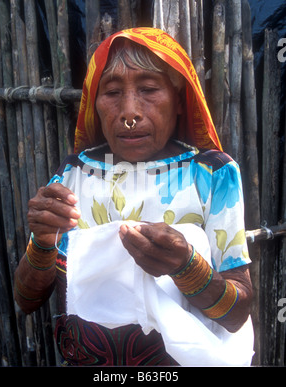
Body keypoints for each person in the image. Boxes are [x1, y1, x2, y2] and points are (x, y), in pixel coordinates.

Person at [14, 27, 254, 366]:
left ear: (179, 99)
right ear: (94, 104)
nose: (129, 112)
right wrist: (42, 242)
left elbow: (236, 315)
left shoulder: (211, 175)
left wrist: (187, 267)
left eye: (149, 89)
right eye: (111, 92)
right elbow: (27, 301)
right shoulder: (76, 174)